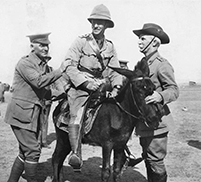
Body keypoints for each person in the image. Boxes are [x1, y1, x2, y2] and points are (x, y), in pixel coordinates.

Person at [63, 4, 123, 171]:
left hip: (101, 85)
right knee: (77, 111)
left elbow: (115, 70)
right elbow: (69, 65)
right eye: (94, 22)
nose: (96, 25)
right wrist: (86, 83)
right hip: (80, 85)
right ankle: (75, 153)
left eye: (100, 23)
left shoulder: (110, 46)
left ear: (106, 26)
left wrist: (117, 86)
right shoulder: (81, 41)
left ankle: (122, 150)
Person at [4, 32, 70, 182]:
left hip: (32, 115)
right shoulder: (25, 63)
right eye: (42, 45)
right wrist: (60, 71)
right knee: (33, 151)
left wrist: (65, 93)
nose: (46, 48)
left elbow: (46, 92)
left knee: (24, 152)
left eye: (47, 45)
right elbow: (39, 82)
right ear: (32, 46)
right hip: (21, 114)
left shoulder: (44, 67)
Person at [131, 23, 179, 182]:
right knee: (148, 158)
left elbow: (173, 90)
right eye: (139, 38)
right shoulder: (143, 64)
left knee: (156, 161)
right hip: (145, 121)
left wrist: (160, 96)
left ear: (155, 43)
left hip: (158, 122)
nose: (139, 42)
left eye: (143, 39)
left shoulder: (161, 64)